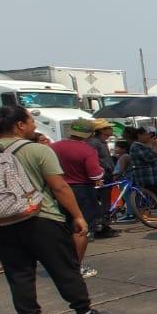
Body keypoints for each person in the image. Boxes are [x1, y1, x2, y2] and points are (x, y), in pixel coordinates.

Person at [0, 107, 109, 314]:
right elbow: (59, 187)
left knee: (18, 274)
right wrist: (77, 215)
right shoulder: (36, 151)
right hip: (42, 218)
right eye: (31, 120)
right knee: (63, 267)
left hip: (2, 222)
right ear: (20, 125)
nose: (34, 125)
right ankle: (83, 312)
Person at [51, 118, 105, 278]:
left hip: (57, 189)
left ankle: (64, 263)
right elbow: (95, 174)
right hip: (81, 191)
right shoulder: (87, 150)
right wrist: (101, 172)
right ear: (90, 134)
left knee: (64, 228)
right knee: (81, 228)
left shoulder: (53, 147)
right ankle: (76, 266)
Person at [87, 118, 120, 239]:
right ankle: (101, 227)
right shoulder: (94, 143)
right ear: (101, 130)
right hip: (101, 176)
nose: (111, 129)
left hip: (107, 174)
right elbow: (94, 160)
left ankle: (104, 225)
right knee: (102, 203)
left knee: (106, 202)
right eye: (108, 127)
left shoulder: (102, 142)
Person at [130, 126, 157, 201]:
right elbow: (150, 158)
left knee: (155, 200)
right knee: (150, 202)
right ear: (139, 135)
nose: (149, 136)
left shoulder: (144, 146)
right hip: (147, 180)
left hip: (153, 180)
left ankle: (156, 211)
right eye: (146, 134)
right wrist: (153, 146)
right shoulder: (136, 146)